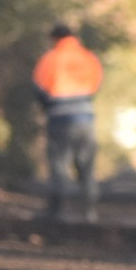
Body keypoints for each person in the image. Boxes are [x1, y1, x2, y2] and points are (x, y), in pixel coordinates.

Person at [32, 24, 103, 222]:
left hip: (59, 118)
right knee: (86, 166)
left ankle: (56, 212)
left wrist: (48, 107)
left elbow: (39, 89)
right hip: (85, 118)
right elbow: (96, 87)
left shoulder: (50, 59)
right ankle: (89, 212)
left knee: (59, 165)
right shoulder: (89, 58)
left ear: (54, 38)